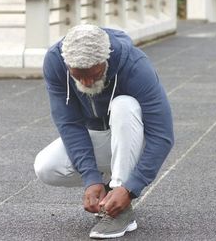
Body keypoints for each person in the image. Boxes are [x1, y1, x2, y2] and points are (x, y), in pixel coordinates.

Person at [34, 24, 174, 239]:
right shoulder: (55, 61)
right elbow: (69, 124)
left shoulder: (135, 66)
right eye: (78, 76)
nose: (87, 82)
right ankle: (109, 189)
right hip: (101, 137)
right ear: (67, 63)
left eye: (94, 74)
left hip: (136, 139)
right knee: (46, 167)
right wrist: (91, 178)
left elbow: (162, 135)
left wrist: (131, 188)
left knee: (124, 105)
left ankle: (120, 203)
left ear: (105, 60)